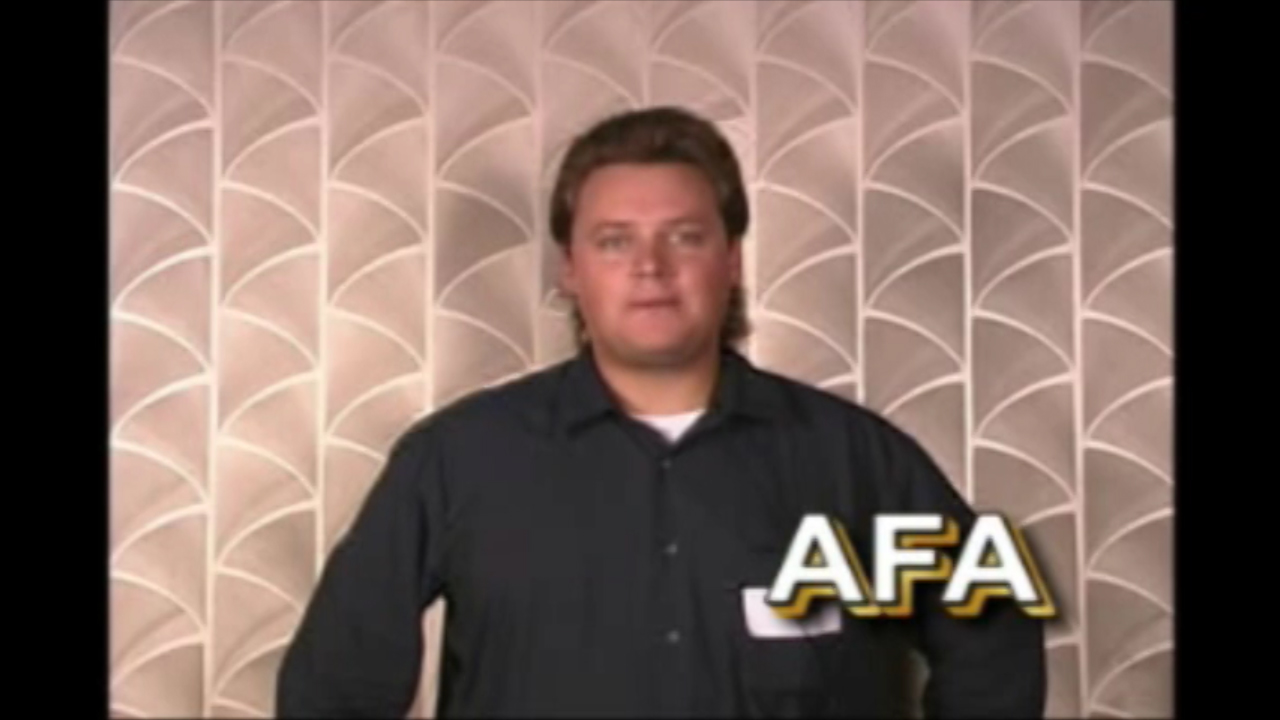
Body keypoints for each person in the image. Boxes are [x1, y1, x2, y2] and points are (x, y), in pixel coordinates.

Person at [275, 106, 1046, 718]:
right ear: (571, 270)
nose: (650, 267)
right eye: (615, 242)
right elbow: (332, 690)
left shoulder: (857, 462)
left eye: (685, 236)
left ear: (731, 259)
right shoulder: (457, 461)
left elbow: (993, 634)